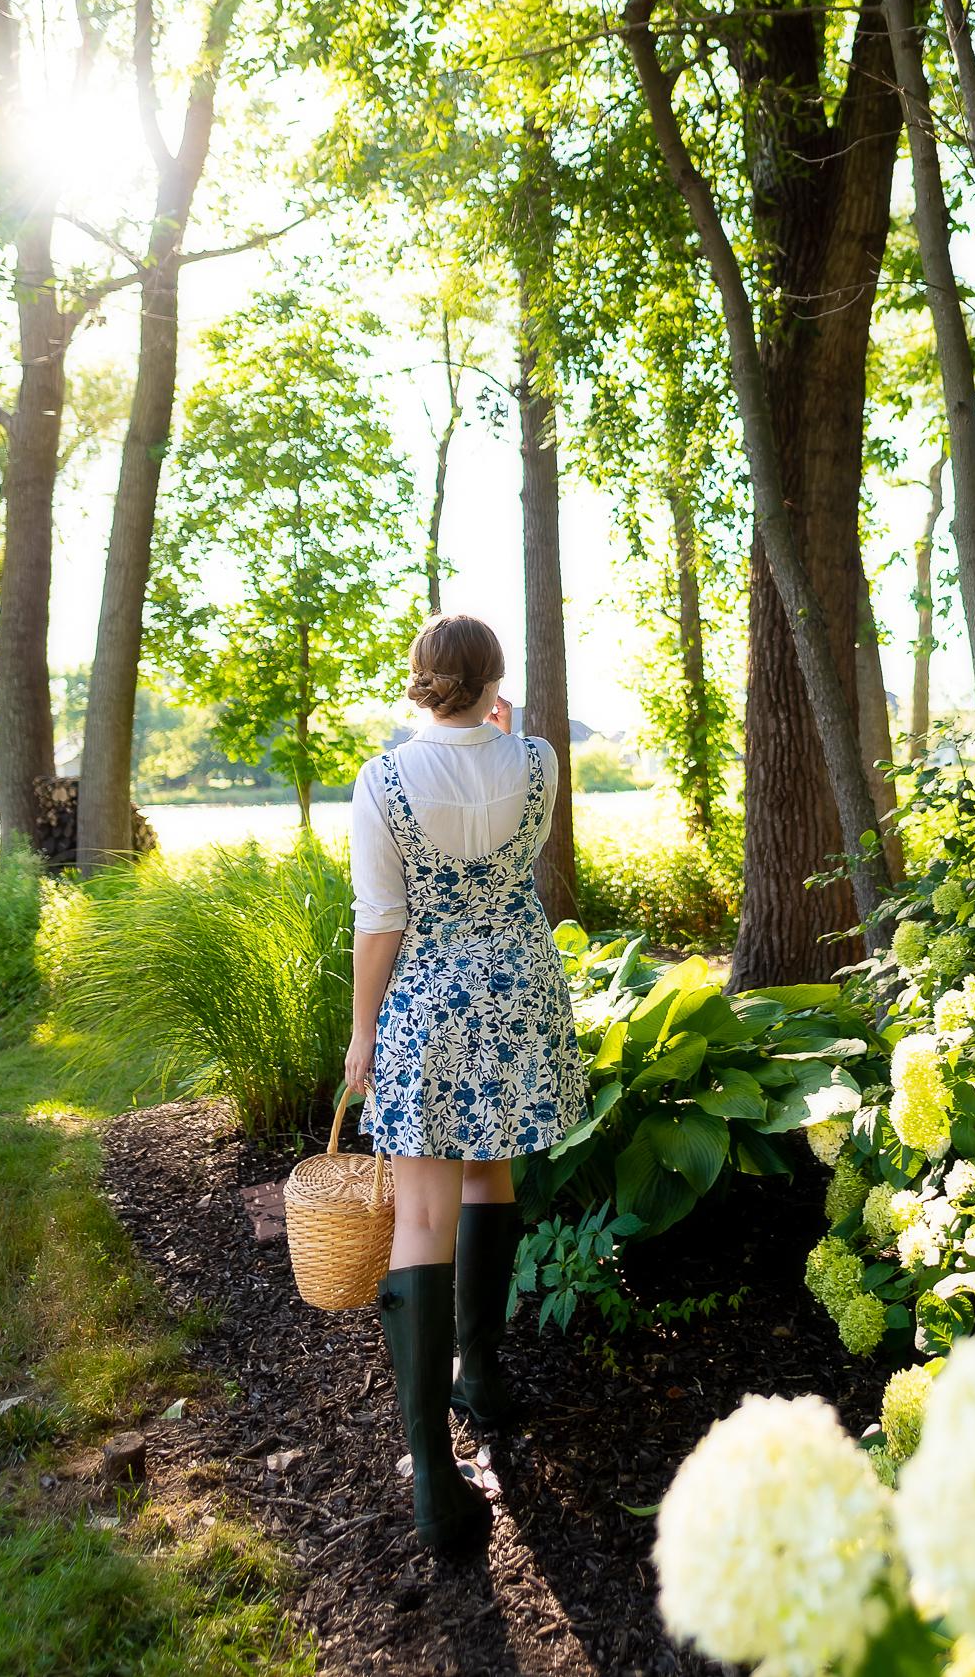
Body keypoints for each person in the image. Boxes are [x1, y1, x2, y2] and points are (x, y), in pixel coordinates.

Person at [345, 611, 587, 1552]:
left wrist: (363, 1032)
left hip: (432, 999)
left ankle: (435, 1479)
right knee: (494, 1171)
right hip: (517, 988)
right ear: (494, 679)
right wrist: (507, 721)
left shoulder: (384, 780)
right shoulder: (539, 761)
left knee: (419, 1217)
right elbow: (512, 780)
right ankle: (480, 1374)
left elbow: (381, 922)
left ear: (418, 678)